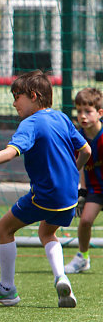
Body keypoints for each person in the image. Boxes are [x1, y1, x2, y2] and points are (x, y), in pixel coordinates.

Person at [0, 70, 92, 308]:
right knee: (47, 233)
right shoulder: (61, 117)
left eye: (17, 96)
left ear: (34, 96)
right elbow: (87, 151)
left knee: (4, 227)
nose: (13, 102)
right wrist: (71, 173)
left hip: (45, 195)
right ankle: (61, 277)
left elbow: (9, 153)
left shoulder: (31, 123)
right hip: (69, 196)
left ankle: (6, 289)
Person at [65, 87, 103, 274]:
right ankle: (83, 257)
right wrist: (82, 191)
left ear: (100, 113)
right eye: (79, 111)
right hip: (95, 190)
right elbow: (78, 165)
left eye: (88, 111)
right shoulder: (77, 137)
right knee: (85, 221)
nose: (83, 116)